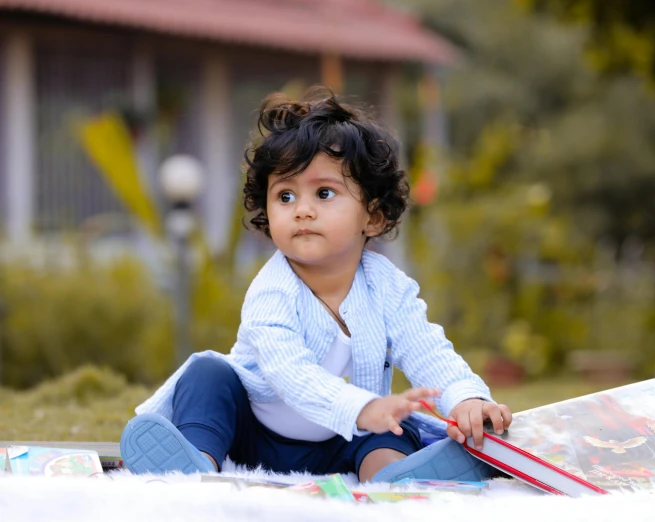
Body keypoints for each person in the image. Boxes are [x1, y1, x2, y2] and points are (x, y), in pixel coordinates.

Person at [120, 89, 513, 483]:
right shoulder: (271, 290)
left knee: (391, 427)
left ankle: (394, 477)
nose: (302, 209)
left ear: (373, 217)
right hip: (256, 435)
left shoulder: (387, 285)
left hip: (346, 438)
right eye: (285, 195)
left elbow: (426, 348)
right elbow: (288, 372)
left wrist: (465, 396)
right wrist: (360, 407)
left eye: (324, 193)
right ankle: (196, 464)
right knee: (208, 375)